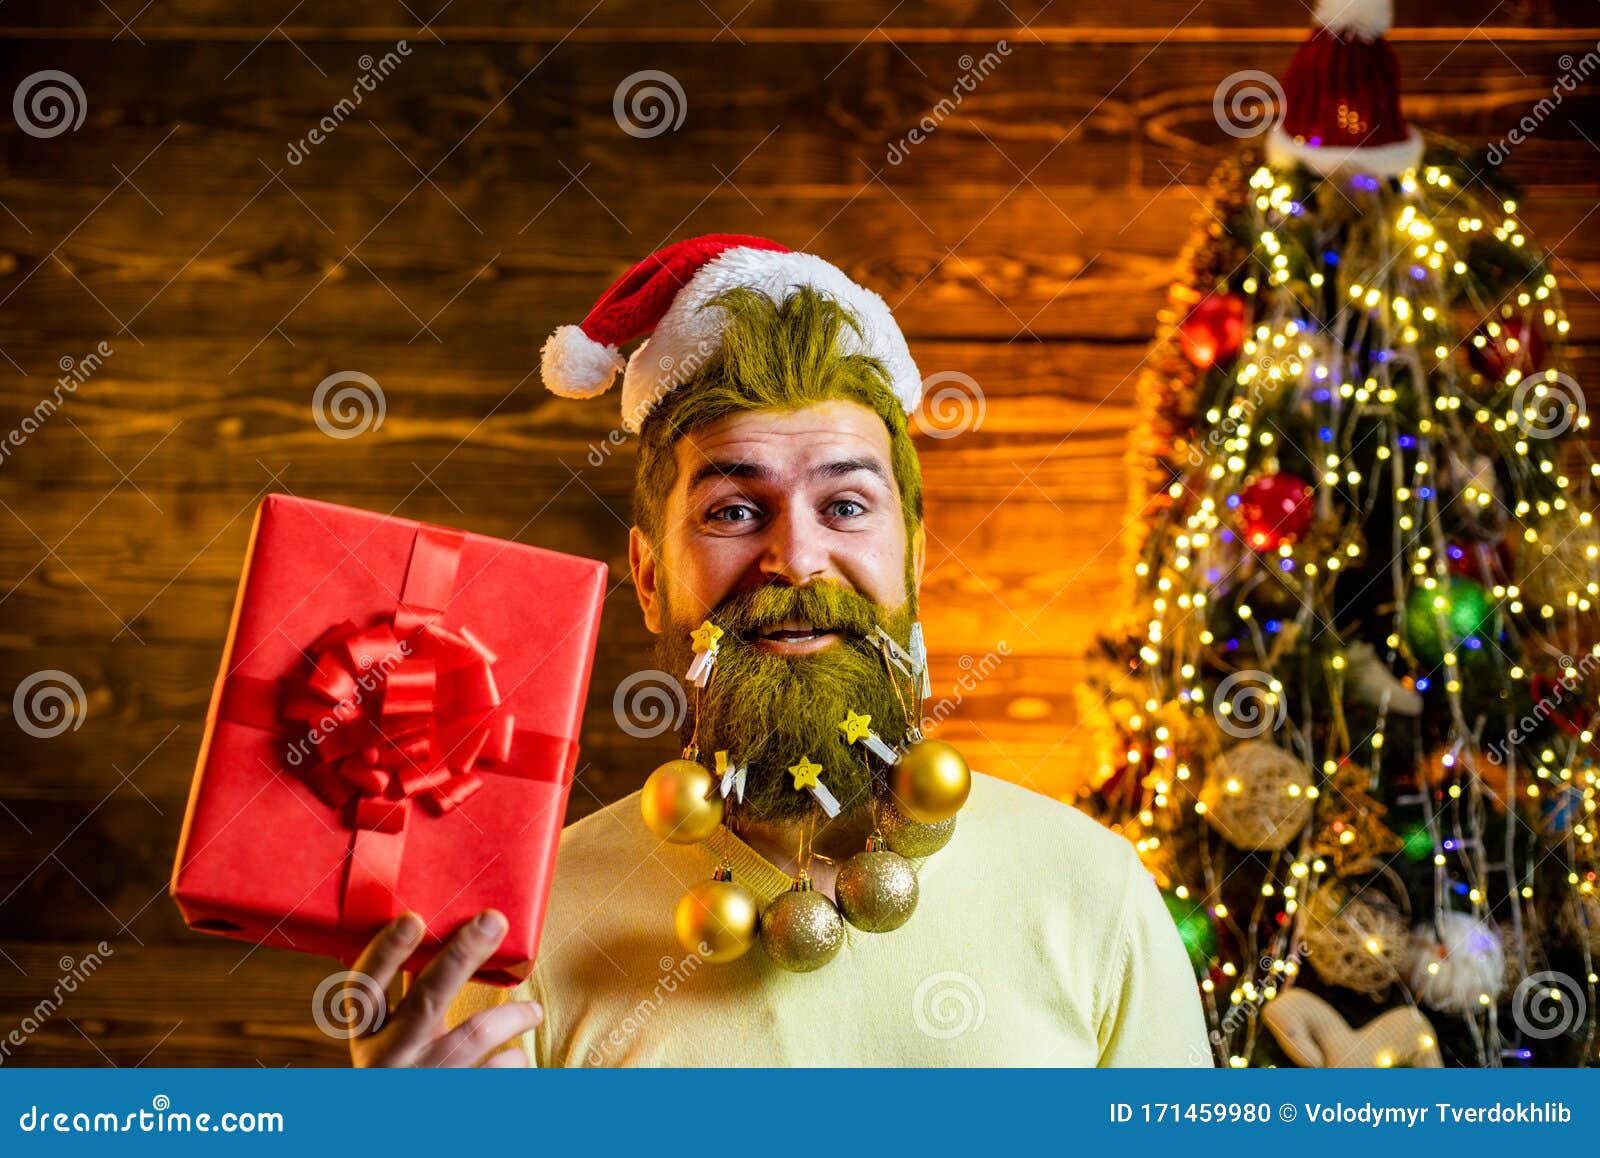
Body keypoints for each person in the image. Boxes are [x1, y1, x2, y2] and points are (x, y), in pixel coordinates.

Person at [343, 235, 1212, 1067]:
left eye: (844, 506)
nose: (795, 557)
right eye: (732, 510)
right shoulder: (518, 938)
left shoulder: (1089, 890)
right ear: (648, 578)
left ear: (912, 559)